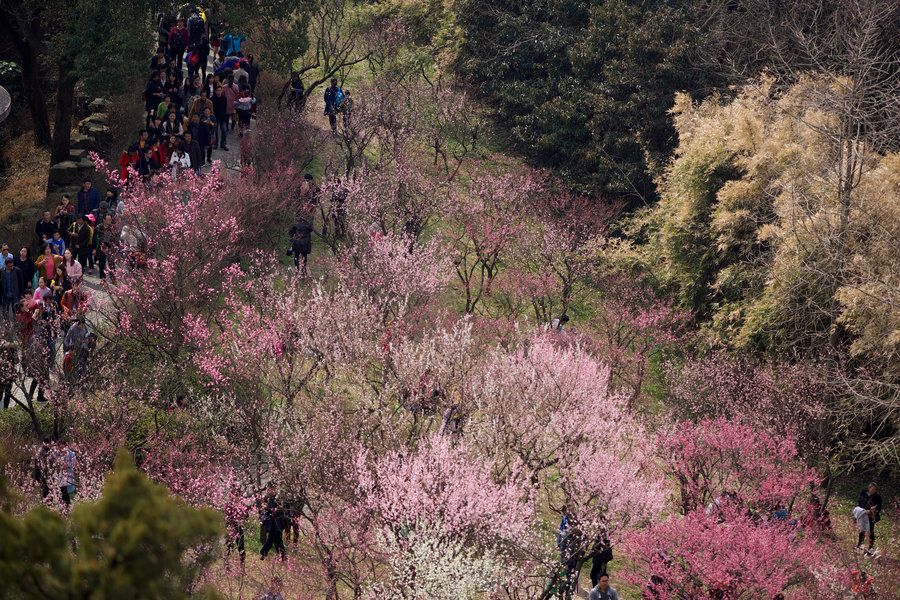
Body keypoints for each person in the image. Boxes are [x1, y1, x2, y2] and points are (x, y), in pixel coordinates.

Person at [260, 483, 287, 560]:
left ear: (275, 489)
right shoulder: (267, 497)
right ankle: (283, 556)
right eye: (268, 489)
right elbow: (263, 506)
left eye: (270, 489)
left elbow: (281, 509)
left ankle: (264, 552)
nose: (268, 491)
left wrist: (270, 509)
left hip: (278, 520)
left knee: (273, 537)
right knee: (276, 538)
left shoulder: (279, 497)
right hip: (270, 520)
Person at [856, 483, 882, 551]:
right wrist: (861, 510)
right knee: (862, 530)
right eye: (872, 489)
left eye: (875, 490)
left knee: (871, 531)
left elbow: (879, 507)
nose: (874, 491)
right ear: (869, 488)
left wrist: (872, 511)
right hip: (863, 513)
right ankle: (859, 545)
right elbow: (859, 502)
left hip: (871, 516)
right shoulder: (863, 493)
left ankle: (870, 548)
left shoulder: (878, 497)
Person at [55, 439, 77, 509]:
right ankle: (63, 508)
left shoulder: (70, 453)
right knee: (61, 493)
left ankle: (66, 507)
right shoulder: (57, 453)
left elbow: (74, 463)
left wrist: (68, 465)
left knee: (65, 493)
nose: (61, 449)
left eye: (62, 447)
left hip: (67, 476)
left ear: (65, 446)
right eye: (59, 447)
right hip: (59, 476)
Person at [211, 86, 228, 150]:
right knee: (215, 132)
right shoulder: (212, 99)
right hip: (215, 118)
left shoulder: (224, 98)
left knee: (224, 131)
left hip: (222, 117)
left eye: (220, 90)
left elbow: (225, 107)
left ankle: (223, 144)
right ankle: (215, 144)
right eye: (217, 90)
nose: (219, 92)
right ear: (215, 91)